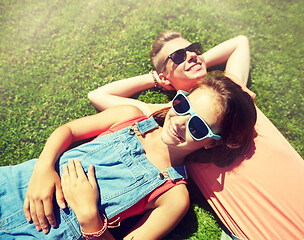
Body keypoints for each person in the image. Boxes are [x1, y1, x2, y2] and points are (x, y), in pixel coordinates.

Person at [88, 30, 304, 239]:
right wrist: (156, 79)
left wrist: (194, 62)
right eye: (178, 56)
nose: (191, 55)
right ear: (166, 77)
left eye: (193, 49)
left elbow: (240, 42)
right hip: (258, 223)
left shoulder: (232, 94)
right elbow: (98, 95)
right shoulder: (171, 118)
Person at [0, 75, 257, 240]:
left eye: (198, 127)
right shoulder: (128, 116)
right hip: (15, 184)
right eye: (182, 106)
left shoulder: (174, 196)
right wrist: (44, 168)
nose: (179, 122)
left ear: (212, 142)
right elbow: (68, 130)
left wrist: (90, 217)